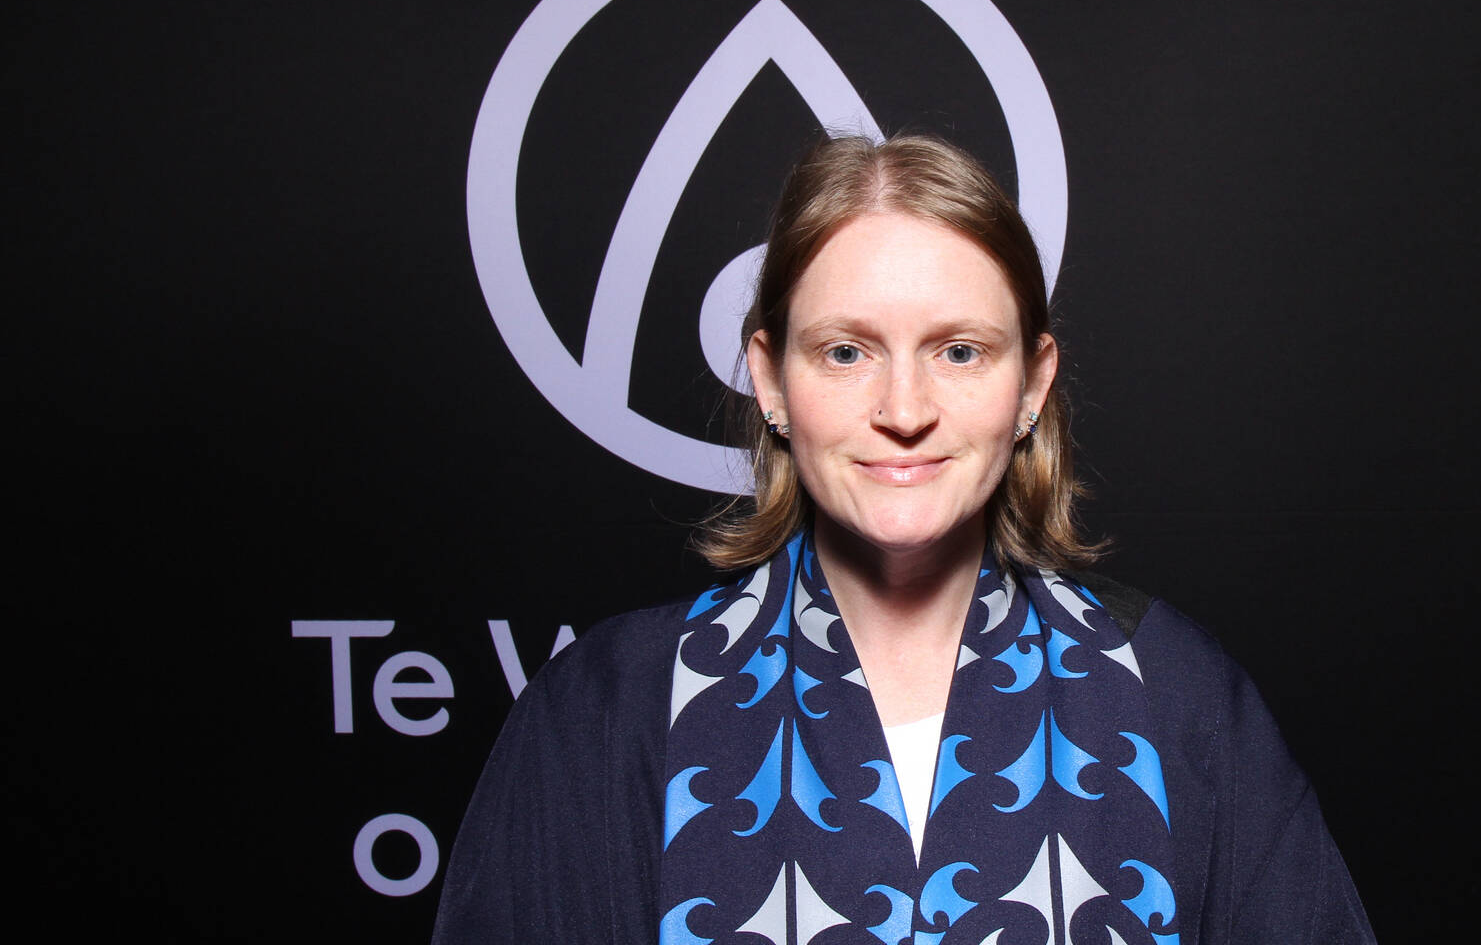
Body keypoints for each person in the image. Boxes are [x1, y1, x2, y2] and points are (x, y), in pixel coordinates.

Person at [432, 133, 1374, 944]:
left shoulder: (1172, 692)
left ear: (1031, 383)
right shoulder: (606, 715)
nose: (905, 410)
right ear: (772, 379)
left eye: (960, 351)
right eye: (846, 352)